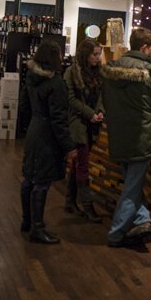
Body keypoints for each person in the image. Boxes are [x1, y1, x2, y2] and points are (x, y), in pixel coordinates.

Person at [101, 27, 151, 247]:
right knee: (132, 189)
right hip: (141, 136)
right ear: (145, 47)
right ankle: (116, 234)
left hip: (118, 134)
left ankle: (142, 219)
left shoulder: (111, 68)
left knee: (131, 183)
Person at [19, 40, 77, 244]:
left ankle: (27, 221)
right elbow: (59, 119)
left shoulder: (31, 78)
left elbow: (23, 105)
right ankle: (38, 228)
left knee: (28, 177)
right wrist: (69, 146)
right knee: (42, 182)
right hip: (47, 136)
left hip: (34, 130)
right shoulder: (56, 83)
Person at [63, 39, 104, 223]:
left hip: (92, 124)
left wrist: (101, 111)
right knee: (83, 165)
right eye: (94, 54)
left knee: (78, 162)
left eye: (99, 54)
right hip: (77, 123)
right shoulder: (71, 72)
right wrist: (90, 114)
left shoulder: (98, 73)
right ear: (85, 54)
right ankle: (88, 207)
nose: (97, 57)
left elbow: (103, 96)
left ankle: (70, 201)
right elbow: (70, 99)